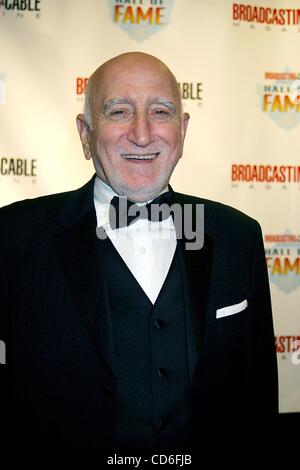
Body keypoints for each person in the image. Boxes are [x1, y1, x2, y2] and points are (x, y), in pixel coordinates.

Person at [0, 52, 278, 455]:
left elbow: (256, 399)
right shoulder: (14, 237)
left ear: (182, 131)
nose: (143, 134)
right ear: (84, 133)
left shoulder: (237, 237)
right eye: (119, 111)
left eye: (161, 112)